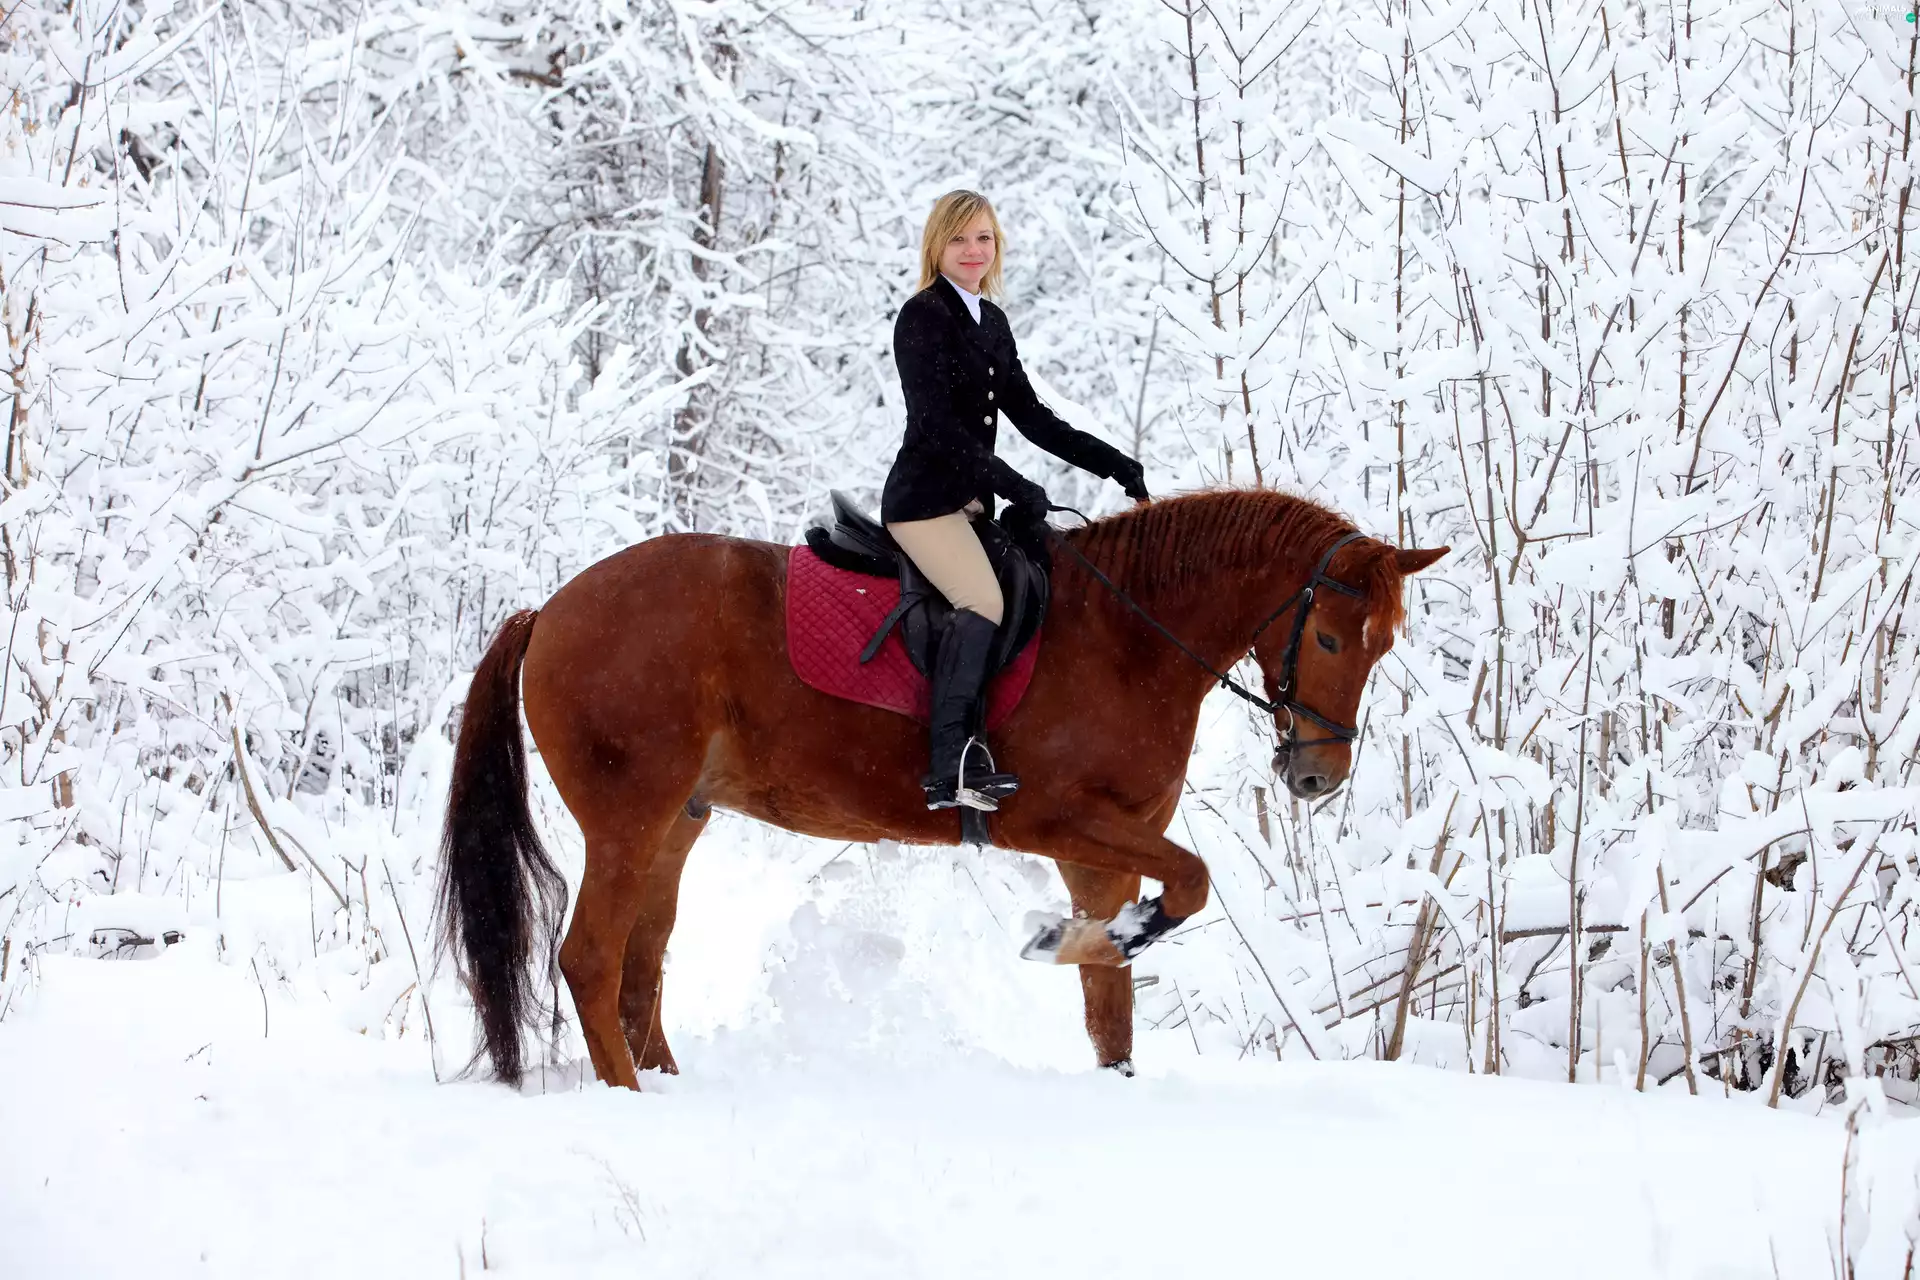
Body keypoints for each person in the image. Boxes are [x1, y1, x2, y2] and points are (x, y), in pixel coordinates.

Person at [884, 190, 1150, 812]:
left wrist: (1110, 462)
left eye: (984, 238)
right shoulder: (921, 316)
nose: (974, 251)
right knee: (982, 599)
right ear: (936, 247)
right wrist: (1012, 484)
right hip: (925, 504)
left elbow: (1031, 416)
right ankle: (949, 766)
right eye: (959, 240)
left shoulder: (992, 322)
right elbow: (936, 426)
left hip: (970, 503)